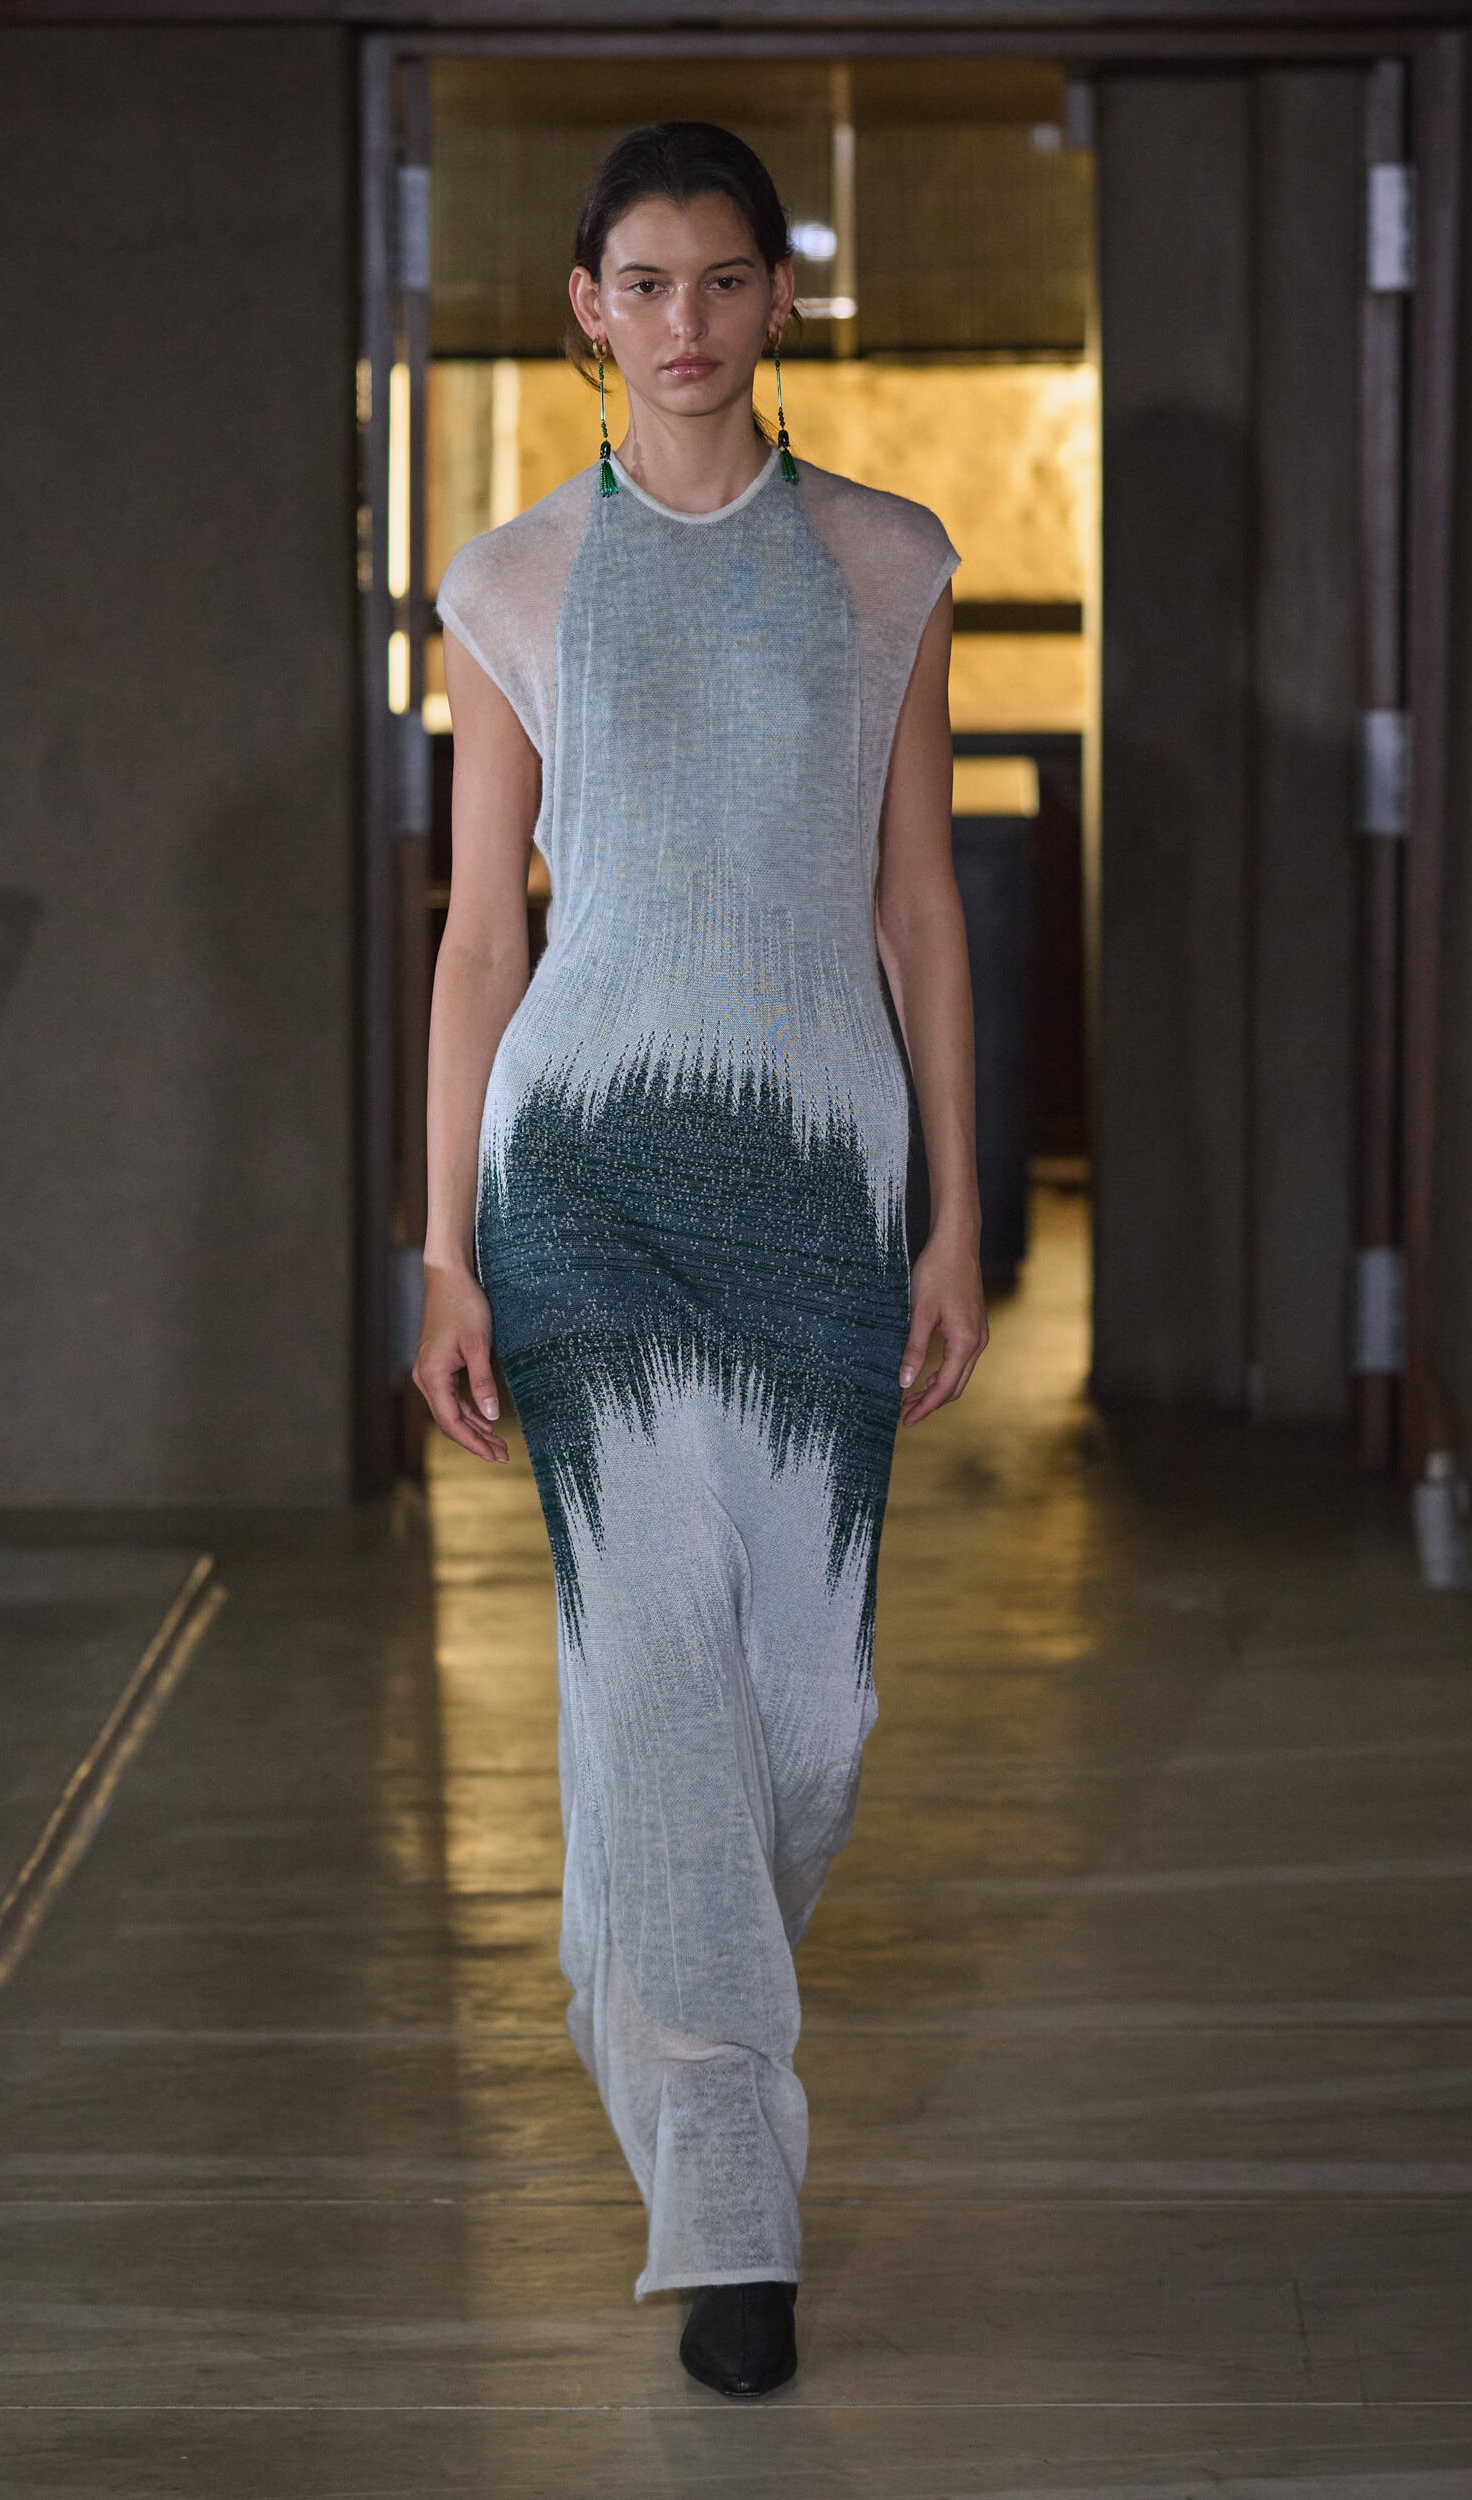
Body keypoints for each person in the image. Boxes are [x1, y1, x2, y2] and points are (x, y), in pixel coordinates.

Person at [414, 121, 987, 2399]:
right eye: (642, 284)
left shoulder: (884, 561)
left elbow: (918, 900)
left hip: (822, 1176)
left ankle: (639, 1951)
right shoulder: (510, 582)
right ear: (587, 307)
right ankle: (729, 2208)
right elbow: (479, 936)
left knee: (805, 1708)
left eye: (725, 280)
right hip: (583, 1182)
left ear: (778, 299)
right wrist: (444, 1254)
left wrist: (962, 1206)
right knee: (652, 1657)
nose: (685, 323)